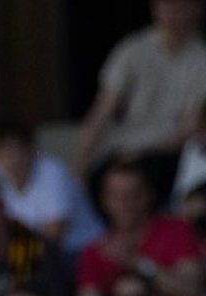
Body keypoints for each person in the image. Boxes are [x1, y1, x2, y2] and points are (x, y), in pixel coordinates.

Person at [75, 0, 206, 207]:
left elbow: (190, 128)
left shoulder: (201, 59)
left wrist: (142, 153)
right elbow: (102, 111)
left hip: (167, 153)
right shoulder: (132, 49)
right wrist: (81, 161)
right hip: (122, 149)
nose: (173, 14)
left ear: (197, 8)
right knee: (96, 181)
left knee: (136, 185)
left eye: (181, 7)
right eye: (167, 6)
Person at [74, 160, 203, 296]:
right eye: (116, 196)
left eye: (133, 194)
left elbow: (191, 290)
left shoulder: (177, 230)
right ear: (104, 201)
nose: (125, 203)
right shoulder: (95, 252)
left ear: (148, 195)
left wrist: (138, 262)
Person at [0, 119, 104, 256]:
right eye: (5, 154)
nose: (12, 160)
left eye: (17, 152)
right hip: (29, 251)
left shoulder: (54, 173)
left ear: (32, 151)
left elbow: (54, 234)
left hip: (80, 251)